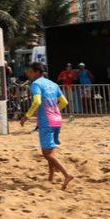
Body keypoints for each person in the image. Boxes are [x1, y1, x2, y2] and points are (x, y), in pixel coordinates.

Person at [20, 62, 73, 190]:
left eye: (30, 71)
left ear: (37, 72)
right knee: (49, 150)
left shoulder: (36, 84)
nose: (28, 73)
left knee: (46, 154)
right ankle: (51, 177)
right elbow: (64, 102)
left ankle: (67, 174)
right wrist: (55, 110)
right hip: (56, 120)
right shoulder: (53, 84)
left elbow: (37, 101)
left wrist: (26, 116)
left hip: (46, 121)